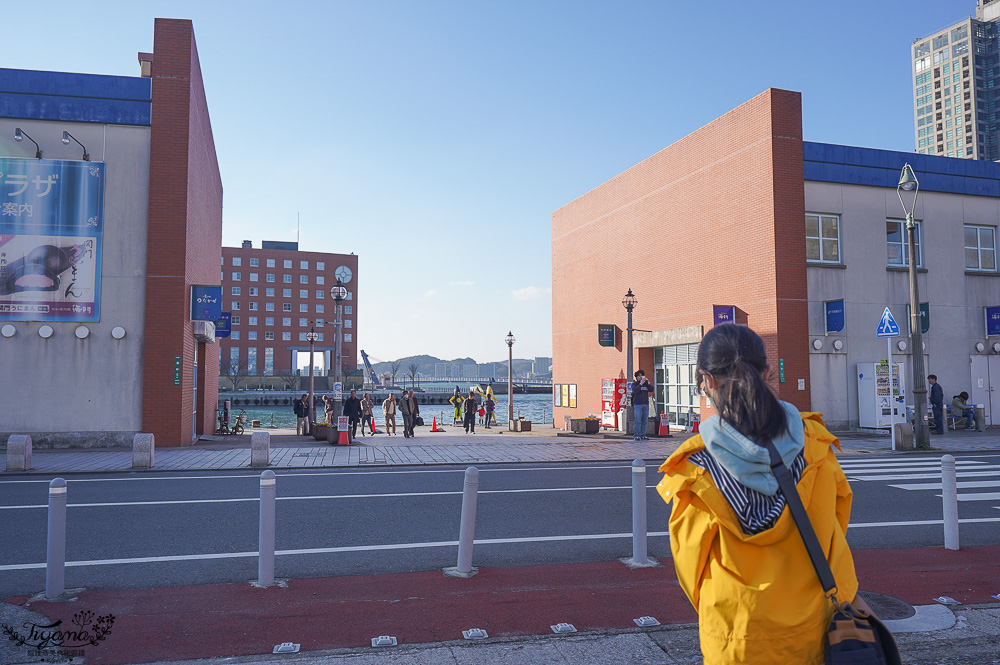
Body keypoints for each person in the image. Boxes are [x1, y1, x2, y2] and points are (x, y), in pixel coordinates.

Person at [657, 323, 858, 664]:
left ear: (705, 381)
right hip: (815, 626)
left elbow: (689, 564)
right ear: (767, 372)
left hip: (737, 635)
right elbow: (838, 522)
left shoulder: (695, 468)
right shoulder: (817, 445)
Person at [631, 369, 654, 441]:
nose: (640, 377)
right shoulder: (634, 384)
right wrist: (640, 384)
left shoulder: (646, 384)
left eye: (642, 375)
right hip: (638, 404)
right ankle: (636, 435)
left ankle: (643, 435)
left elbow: (651, 389)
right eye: (639, 376)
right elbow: (635, 390)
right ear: (636, 377)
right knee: (638, 420)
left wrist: (648, 382)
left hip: (645, 404)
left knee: (645, 420)